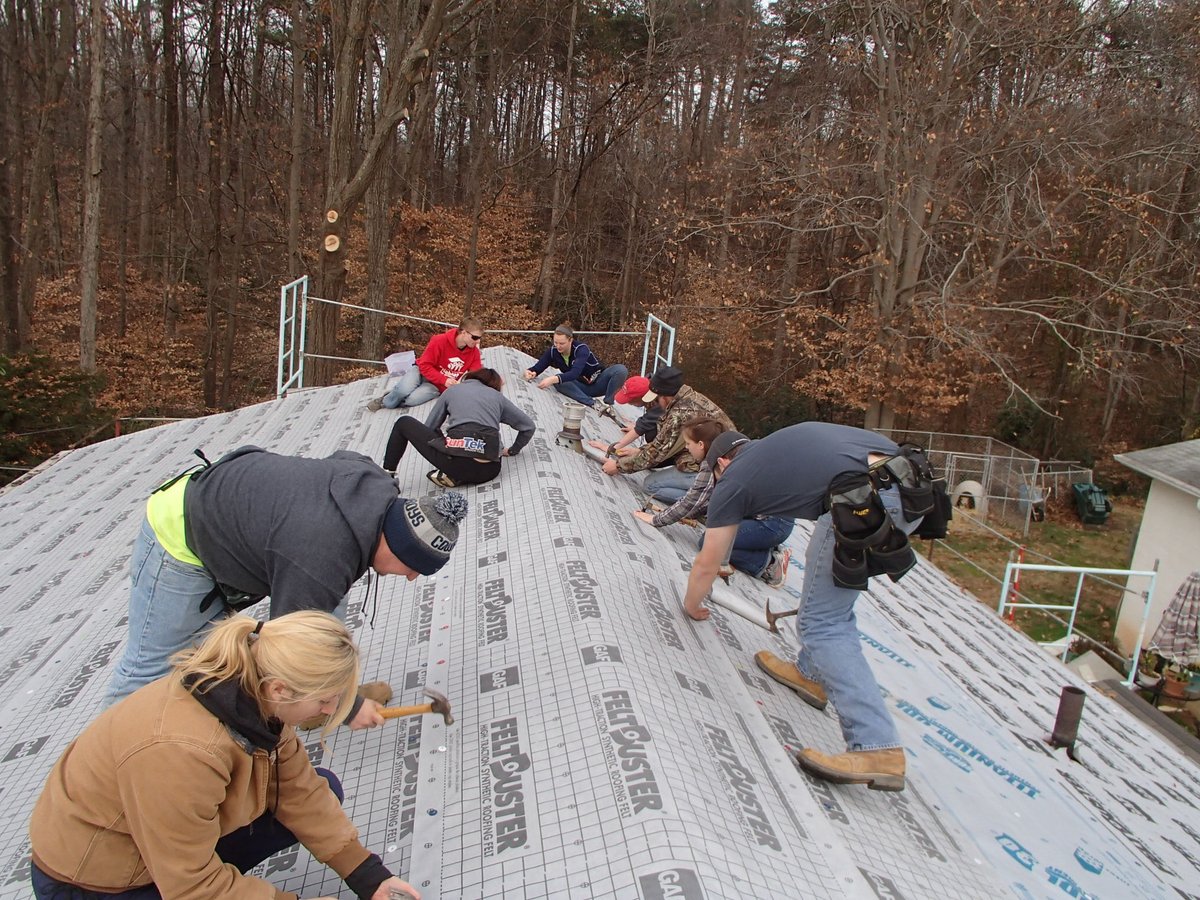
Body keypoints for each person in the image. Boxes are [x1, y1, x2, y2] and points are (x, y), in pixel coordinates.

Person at [30, 612, 420, 900]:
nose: (329, 710)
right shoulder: (179, 751)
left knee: (323, 788)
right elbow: (190, 886)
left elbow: (301, 792)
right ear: (281, 688)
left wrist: (369, 877)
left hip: (160, 844)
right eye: (325, 700)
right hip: (97, 882)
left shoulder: (258, 697)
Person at [104, 445, 468, 722]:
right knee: (150, 666)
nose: (411, 577)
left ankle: (318, 700)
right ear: (397, 544)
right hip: (179, 532)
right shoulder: (319, 559)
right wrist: (349, 708)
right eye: (414, 566)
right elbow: (284, 653)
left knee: (327, 617)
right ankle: (106, 772)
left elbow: (345, 456)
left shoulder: (375, 486)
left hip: (235, 509)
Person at [680, 422, 925, 792]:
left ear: (723, 463)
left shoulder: (735, 479)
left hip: (867, 497)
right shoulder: (770, 450)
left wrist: (691, 604)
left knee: (823, 622)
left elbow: (709, 560)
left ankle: (878, 747)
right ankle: (812, 675)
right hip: (909, 481)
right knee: (827, 596)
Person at [632, 419, 793, 585]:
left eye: (688, 443)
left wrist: (655, 520)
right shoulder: (731, 446)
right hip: (767, 516)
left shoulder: (717, 460)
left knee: (710, 543)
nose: (686, 447)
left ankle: (770, 564)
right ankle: (758, 542)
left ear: (701, 445)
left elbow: (692, 500)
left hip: (773, 524)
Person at [381, 367, 536, 487]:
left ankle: (387, 476)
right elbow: (528, 426)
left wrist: (443, 442)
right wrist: (512, 450)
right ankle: (457, 477)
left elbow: (429, 427)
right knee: (487, 436)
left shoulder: (453, 390)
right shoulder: (498, 397)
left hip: (457, 464)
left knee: (403, 422)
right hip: (491, 470)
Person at [600, 366, 734, 503]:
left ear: (666, 397)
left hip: (718, 473)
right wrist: (639, 451)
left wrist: (618, 466)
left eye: (657, 399)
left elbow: (658, 452)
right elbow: (664, 442)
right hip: (717, 462)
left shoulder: (680, 414)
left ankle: (706, 501)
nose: (656, 404)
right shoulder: (687, 397)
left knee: (650, 485)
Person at [367, 319, 484, 411]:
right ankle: (386, 400)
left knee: (412, 400)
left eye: (479, 338)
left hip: (437, 386)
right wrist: (444, 379)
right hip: (421, 372)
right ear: (463, 333)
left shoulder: (474, 353)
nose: (478, 341)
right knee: (402, 391)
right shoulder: (439, 341)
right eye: (475, 337)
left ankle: (396, 396)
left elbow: (476, 374)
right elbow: (424, 365)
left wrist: (491, 380)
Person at [523, 324, 628, 416]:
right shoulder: (553, 351)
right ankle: (593, 403)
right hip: (579, 387)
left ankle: (608, 403)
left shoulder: (581, 349)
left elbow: (575, 373)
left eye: (562, 343)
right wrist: (531, 372)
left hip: (598, 383)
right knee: (559, 382)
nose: (558, 346)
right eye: (556, 342)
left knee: (620, 370)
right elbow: (538, 367)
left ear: (570, 340)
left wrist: (552, 379)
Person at [586, 374, 663, 460]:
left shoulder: (659, 406)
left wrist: (611, 449)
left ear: (641, 397)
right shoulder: (653, 392)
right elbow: (649, 421)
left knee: (649, 435)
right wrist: (636, 427)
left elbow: (640, 429)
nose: (629, 403)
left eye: (630, 401)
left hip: (664, 452)